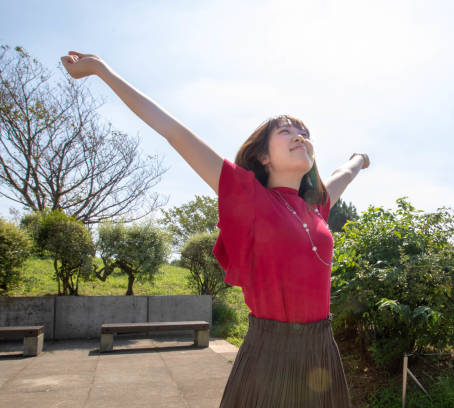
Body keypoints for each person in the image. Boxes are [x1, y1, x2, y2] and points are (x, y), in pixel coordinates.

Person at [61, 50, 370, 407]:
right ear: (264, 157)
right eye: (287, 132)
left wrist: (359, 159)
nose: (300, 136)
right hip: (269, 357)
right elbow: (173, 132)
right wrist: (102, 70)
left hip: (321, 353)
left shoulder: (315, 206)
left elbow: (340, 176)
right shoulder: (250, 196)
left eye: (304, 133)